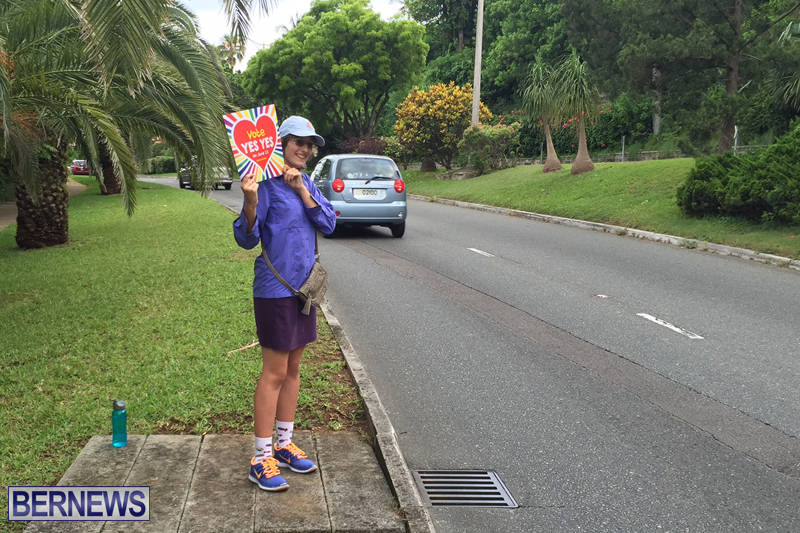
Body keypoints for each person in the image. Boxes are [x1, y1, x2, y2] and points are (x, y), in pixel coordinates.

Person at [233, 116, 336, 491]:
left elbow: (328, 223)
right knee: (274, 372)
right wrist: (250, 201)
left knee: (293, 369)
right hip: (275, 291)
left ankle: (283, 444)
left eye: (310, 144)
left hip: (304, 291)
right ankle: (261, 459)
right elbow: (246, 239)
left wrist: (303, 192)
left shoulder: (307, 182)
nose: (305, 149)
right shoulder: (262, 184)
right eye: (299, 142)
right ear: (280, 144)